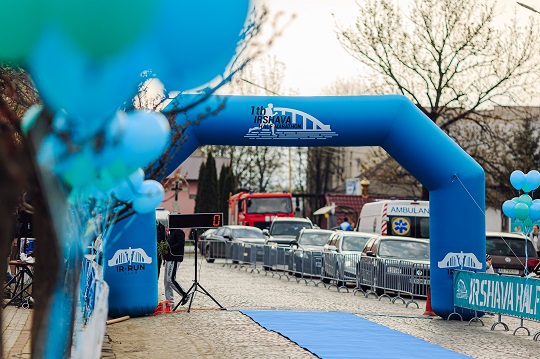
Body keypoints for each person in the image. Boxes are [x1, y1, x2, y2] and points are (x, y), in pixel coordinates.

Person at [163, 229, 189, 308]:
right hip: (169, 259)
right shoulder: (170, 233)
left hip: (174, 258)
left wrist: (169, 249)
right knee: (166, 282)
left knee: (170, 279)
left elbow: (181, 243)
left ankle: (185, 294)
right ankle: (170, 304)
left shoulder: (178, 231)